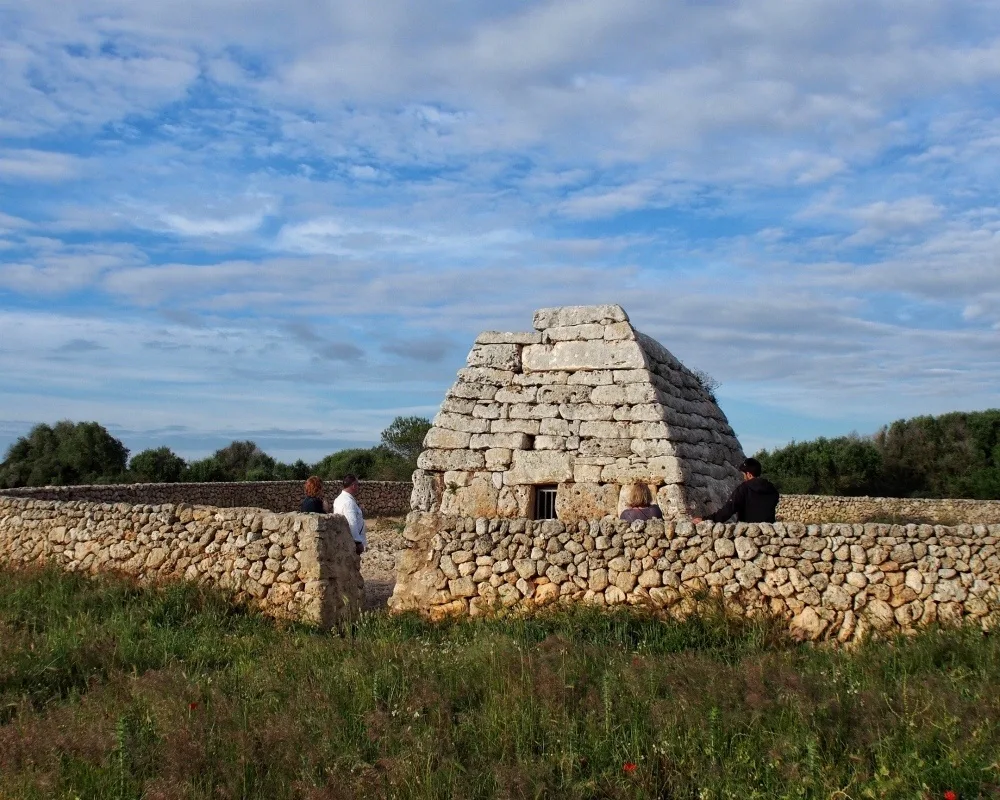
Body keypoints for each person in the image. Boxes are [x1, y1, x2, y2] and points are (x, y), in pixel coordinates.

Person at [693, 457, 779, 524]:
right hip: (769, 535)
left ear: (748, 474)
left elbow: (728, 511)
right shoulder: (772, 489)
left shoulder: (744, 488)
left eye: (744, 475)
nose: (743, 478)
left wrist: (706, 520)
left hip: (748, 535)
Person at [333, 473, 367, 555]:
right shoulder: (348, 502)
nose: (358, 487)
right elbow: (352, 523)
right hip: (351, 543)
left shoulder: (339, 499)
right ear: (353, 486)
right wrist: (358, 542)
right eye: (357, 485)